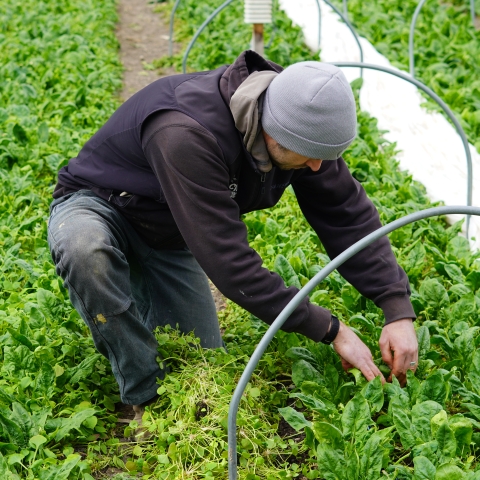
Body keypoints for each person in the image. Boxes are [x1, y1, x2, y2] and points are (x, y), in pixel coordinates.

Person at [47, 50, 418, 421]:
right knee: (85, 249)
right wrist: (331, 329)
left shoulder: (305, 129)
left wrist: (396, 307)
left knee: (200, 358)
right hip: (100, 205)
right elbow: (231, 266)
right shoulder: (185, 132)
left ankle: (142, 301)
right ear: (272, 131)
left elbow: (346, 214)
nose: (317, 167)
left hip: (172, 232)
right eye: (308, 156)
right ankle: (144, 392)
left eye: (324, 156)